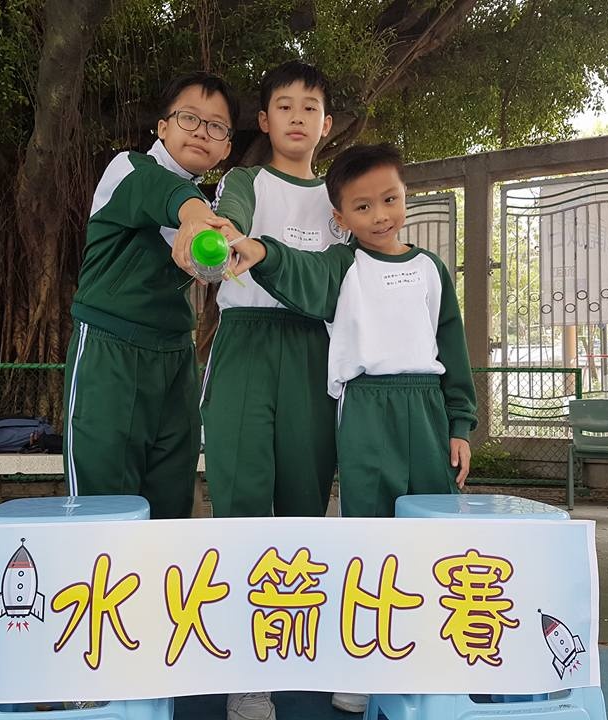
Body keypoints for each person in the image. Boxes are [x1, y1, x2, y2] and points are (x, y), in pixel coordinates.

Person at [173, 60, 348, 720]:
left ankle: (298, 646)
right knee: (242, 501)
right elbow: (228, 231)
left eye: (310, 107)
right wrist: (225, 240)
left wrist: (264, 253)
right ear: (265, 120)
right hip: (245, 345)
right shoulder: (242, 184)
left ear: (326, 125)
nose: (298, 116)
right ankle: (246, 672)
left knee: (305, 502)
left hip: (312, 352)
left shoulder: (340, 201)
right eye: (285, 105)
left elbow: (329, 285)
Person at [230, 142, 478, 520]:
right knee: (368, 516)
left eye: (390, 199)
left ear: (405, 194)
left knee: (436, 514)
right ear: (341, 218)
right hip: (365, 406)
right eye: (363, 207)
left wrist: (459, 426)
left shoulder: (431, 268)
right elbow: (301, 269)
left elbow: (452, 349)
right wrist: (263, 253)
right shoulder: (343, 266)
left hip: (427, 407)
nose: (380, 216)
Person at [62, 72, 238, 519]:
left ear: (226, 147)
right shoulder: (129, 169)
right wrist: (194, 215)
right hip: (110, 351)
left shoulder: (210, 210)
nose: (201, 131)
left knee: (171, 501)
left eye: (216, 126)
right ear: (162, 128)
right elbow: (162, 192)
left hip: (176, 357)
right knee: (103, 507)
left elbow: (215, 265)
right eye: (189, 118)